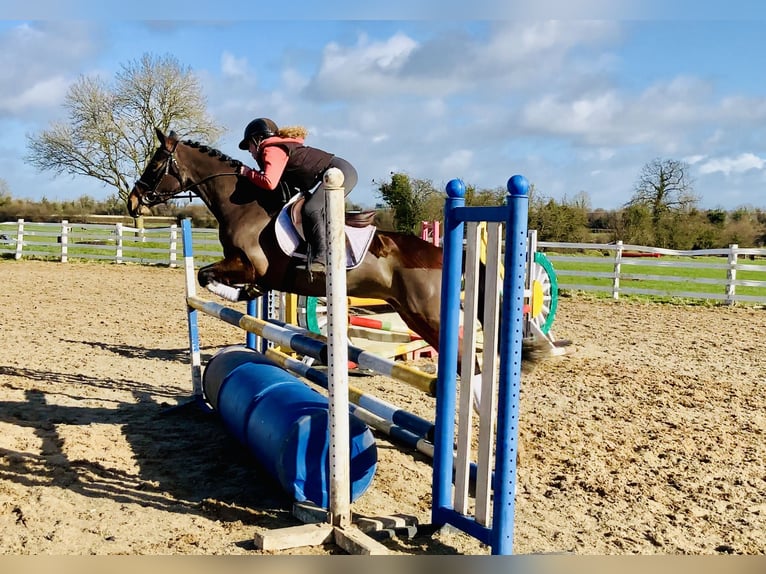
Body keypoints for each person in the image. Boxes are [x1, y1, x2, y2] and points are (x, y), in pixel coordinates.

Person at [237, 117, 358, 273]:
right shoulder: (276, 147)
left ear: (258, 140)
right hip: (335, 171)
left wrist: (248, 173)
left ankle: (321, 259)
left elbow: (269, 182)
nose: (249, 150)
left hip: (340, 173)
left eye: (249, 145)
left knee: (311, 208)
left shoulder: (271, 149)